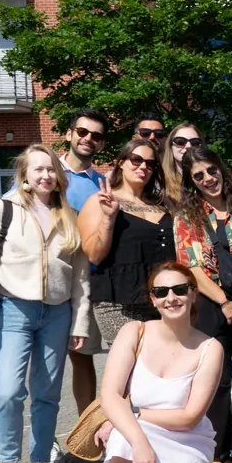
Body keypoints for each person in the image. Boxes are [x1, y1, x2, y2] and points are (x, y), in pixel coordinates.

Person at [0, 144, 91, 463]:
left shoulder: (70, 216)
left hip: (58, 313)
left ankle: (40, 462)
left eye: (51, 169)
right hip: (13, 309)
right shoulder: (0, 212)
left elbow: (80, 278)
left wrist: (80, 323)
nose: (46, 175)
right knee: (8, 391)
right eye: (38, 170)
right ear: (25, 176)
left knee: (47, 392)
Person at [96, 261, 224, 463]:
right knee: (119, 435)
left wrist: (136, 416)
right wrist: (139, 441)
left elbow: (190, 416)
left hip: (185, 436)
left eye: (180, 289)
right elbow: (110, 395)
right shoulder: (134, 332)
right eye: (162, 291)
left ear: (194, 294)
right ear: (152, 299)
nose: (171, 298)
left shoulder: (210, 347)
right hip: (140, 430)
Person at [174, 147, 232, 463]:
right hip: (212, 303)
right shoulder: (188, 217)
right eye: (199, 176)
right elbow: (191, 267)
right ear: (191, 183)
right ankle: (216, 457)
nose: (209, 179)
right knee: (218, 381)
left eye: (212, 170)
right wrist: (224, 301)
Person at [79, 137, 174, 345]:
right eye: (136, 160)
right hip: (119, 301)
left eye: (150, 163)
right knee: (130, 367)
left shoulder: (163, 205)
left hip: (164, 298)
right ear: (121, 162)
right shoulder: (100, 200)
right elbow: (94, 255)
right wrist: (108, 218)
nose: (143, 167)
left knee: (162, 368)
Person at [57, 109, 109, 463]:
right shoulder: (47, 173)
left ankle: (87, 431)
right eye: (82, 131)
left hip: (92, 280)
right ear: (69, 134)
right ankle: (47, 440)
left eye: (96, 135)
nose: (88, 138)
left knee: (84, 357)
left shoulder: (101, 181)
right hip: (55, 282)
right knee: (49, 363)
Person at [158, 122, 204, 206]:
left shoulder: (211, 179)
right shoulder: (159, 182)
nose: (188, 146)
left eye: (195, 142)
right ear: (170, 146)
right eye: (180, 141)